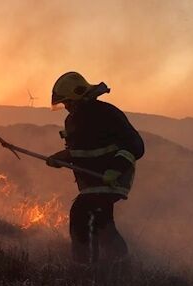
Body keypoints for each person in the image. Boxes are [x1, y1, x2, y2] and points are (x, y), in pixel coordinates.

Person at [46, 72, 145, 264]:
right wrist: (61, 158)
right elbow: (81, 151)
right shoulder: (73, 120)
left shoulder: (106, 113)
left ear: (78, 96)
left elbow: (136, 145)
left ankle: (86, 268)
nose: (66, 107)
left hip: (112, 176)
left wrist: (116, 168)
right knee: (101, 222)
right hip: (92, 180)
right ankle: (120, 263)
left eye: (68, 102)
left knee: (82, 213)